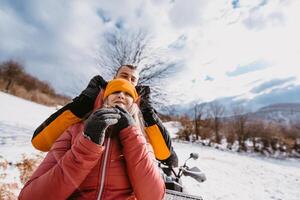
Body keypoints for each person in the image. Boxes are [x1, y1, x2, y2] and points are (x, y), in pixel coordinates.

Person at [19, 79, 165, 200]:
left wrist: (132, 134)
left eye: (127, 93)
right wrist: (88, 142)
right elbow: (30, 197)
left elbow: (153, 197)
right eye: (115, 91)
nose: (121, 95)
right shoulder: (74, 131)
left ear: (134, 104)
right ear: (105, 99)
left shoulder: (144, 143)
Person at [31, 65, 178, 167]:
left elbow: (163, 153)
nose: (128, 80)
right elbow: (41, 142)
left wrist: (147, 110)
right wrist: (85, 102)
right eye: (124, 75)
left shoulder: (140, 109)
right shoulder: (95, 96)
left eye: (133, 79)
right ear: (114, 77)